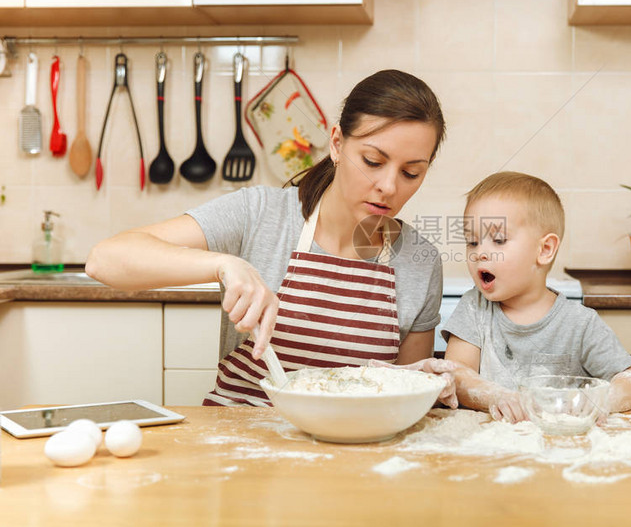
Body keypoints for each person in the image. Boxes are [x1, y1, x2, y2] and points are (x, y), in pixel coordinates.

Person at [86, 69, 457, 408]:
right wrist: (223, 264)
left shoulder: (419, 260)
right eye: (373, 162)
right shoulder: (261, 215)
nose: (388, 187)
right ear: (337, 143)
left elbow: (408, 400)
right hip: (240, 449)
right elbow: (106, 259)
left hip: (352, 459)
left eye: (411, 173)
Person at [442, 171, 631, 422]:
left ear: (545, 250)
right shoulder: (474, 308)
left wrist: (597, 401)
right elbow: (457, 375)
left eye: (498, 240)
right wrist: (497, 396)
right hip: (491, 450)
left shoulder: (580, 323)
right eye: (472, 242)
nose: (480, 253)